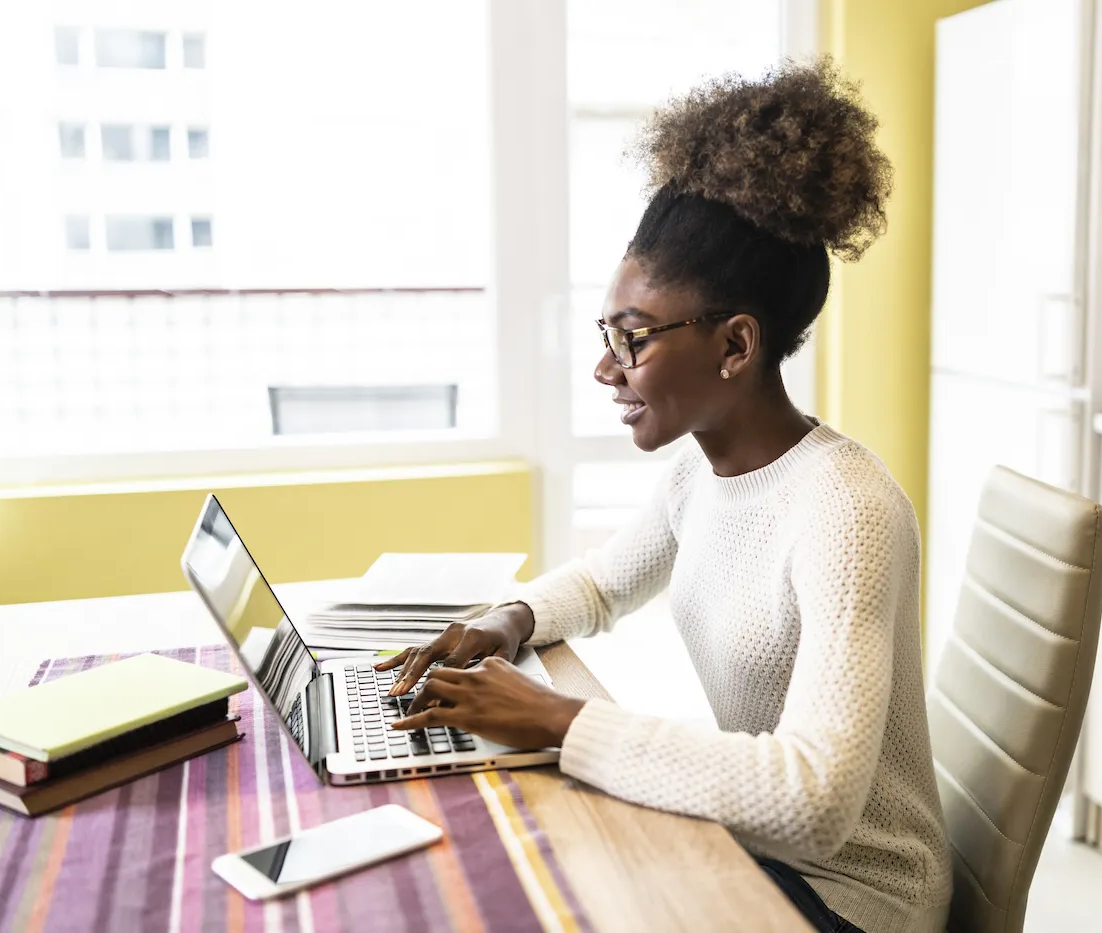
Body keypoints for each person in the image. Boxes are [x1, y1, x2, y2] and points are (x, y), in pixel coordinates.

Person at [377, 58, 952, 933]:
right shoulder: (700, 471)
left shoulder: (846, 511)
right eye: (608, 331)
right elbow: (607, 583)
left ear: (735, 345)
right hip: (762, 853)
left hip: (854, 899)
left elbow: (816, 798)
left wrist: (561, 720)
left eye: (634, 337)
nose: (607, 366)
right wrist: (509, 619)